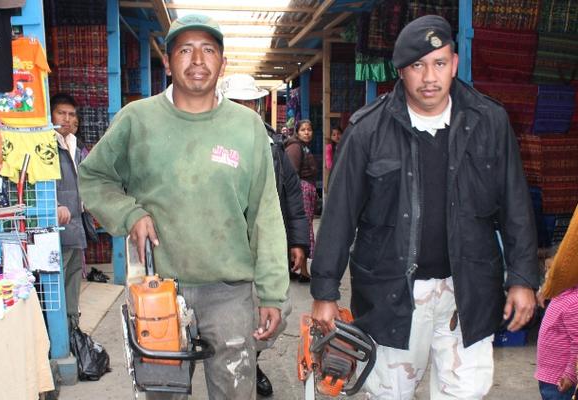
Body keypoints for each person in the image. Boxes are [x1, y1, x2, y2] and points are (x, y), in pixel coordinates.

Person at [310, 15, 539, 399]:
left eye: (439, 63)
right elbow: (339, 214)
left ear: (454, 63)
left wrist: (522, 278)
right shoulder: (368, 130)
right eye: (417, 65)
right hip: (393, 294)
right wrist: (324, 291)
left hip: (468, 290)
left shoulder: (489, 121)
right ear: (401, 71)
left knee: (466, 392)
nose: (429, 77)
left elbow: (515, 204)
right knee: (389, 392)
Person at [78, 15, 289, 400]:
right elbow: (94, 177)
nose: (197, 59)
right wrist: (130, 214)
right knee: (161, 394)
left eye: (208, 50)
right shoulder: (137, 120)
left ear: (222, 63)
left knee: (235, 392)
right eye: (185, 50)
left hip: (230, 294)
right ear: (168, 61)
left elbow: (265, 213)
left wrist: (272, 294)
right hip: (159, 289)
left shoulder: (247, 126)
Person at [221, 73, 309, 397]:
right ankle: (237, 363)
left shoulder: (274, 145)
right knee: (228, 314)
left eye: (249, 102)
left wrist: (299, 241)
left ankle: (251, 357)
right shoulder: (209, 142)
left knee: (278, 310)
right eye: (237, 102)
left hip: (265, 246)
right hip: (225, 251)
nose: (244, 108)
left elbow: (293, 195)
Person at [51, 92, 93, 329]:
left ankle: (72, 329)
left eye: (71, 114)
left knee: (72, 280)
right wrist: (55, 206)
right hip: (57, 228)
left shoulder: (73, 146)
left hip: (74, 227)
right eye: (61, 113)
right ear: (51, 114)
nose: (66, 119)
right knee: (58, 284)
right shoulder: (46, 146)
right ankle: (61, 334)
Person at [535, 207, 578, 400]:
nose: (547, 276)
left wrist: (571, 374)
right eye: (546, 271)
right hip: (547, 377)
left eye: (552, 272)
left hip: (561, 382)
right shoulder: (559, 297)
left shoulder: (572, 302)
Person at [284, 119, 318, 282]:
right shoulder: (295, 147)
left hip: (306, 190)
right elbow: (291, 175)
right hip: (301, 192)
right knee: (302, 229)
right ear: (297, 132)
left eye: (309, 129)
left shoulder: (303, 147)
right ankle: (302, 271)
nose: (306, 132)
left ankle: (301, 269)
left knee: (305, 228)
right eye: (303, 130)